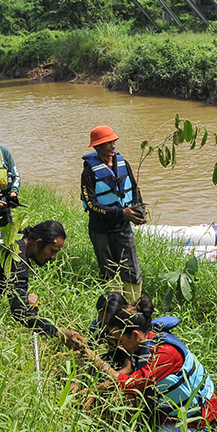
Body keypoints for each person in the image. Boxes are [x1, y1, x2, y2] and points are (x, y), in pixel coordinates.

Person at [81, 304, 217, 432]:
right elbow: (131, 375)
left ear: (134, 335)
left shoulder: (165, 354)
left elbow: (130, 383)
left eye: (120, 340)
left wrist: (94, 359)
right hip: (170, 414)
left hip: (194, 419)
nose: (119, 345)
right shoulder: (147, 340)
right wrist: (96, 390)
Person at [81, 125, 146, 302]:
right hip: (101, 230)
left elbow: (134, 188)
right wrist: (120, 213)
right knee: (109, 272)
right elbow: (91, 203)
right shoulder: (88, 172)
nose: (112, 145)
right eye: (107, 142)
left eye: (113, 141)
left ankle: (132, 308)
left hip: (123, 228)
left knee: (132, 270)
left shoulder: (124, 164)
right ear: (97, 147)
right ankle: (114, 311)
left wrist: (139, 208)